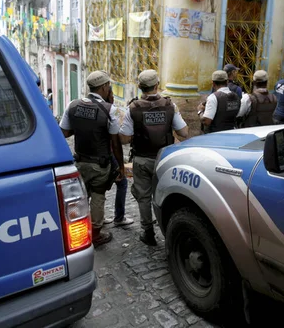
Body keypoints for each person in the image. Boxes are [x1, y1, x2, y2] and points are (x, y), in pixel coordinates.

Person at [119, 70, 188, 246]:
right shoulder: (170, 106)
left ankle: (148, 232)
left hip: (142, 159)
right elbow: (184, 132)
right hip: (165, 159)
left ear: (140, 87)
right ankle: (170, 231)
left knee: (143, 197)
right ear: (157, 85)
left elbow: (124, 138)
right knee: (168, 194)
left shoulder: (133, 108)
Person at [59, 71, 124, 247]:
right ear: (104, 87)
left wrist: (81, 130)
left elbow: (64, 132)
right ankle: (95, 234)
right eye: (108, 86)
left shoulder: (72, 105)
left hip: (79, 161)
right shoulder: (109, 109)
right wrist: (121, 167)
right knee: (98, 196)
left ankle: (76, 232)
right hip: (99, 164)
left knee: (80, 197)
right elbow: (116, 143)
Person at [104, 89, 134, 227]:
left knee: (98, 187)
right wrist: (121, 166)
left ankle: (98, 217)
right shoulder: (112, 111)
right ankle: (119, 217)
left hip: (96, 155)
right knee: (122, 183)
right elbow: (116, 141)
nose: (113, 98)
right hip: (110, 154)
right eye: (112, 95)